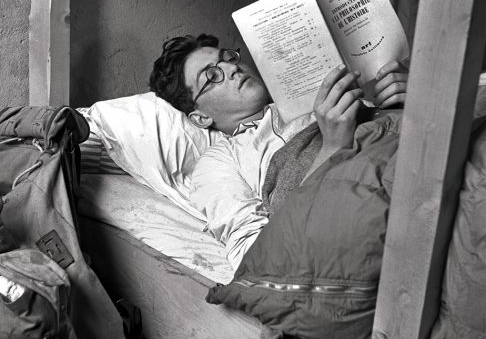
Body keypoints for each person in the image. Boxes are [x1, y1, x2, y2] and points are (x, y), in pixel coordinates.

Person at [149, 33, 408, 269]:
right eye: (212, 76)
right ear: (201, 118)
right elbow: (253, 256)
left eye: (227, 58)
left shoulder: (317, 99)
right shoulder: (221, 160)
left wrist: (408, 103)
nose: (231, 68)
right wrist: (332, 150)